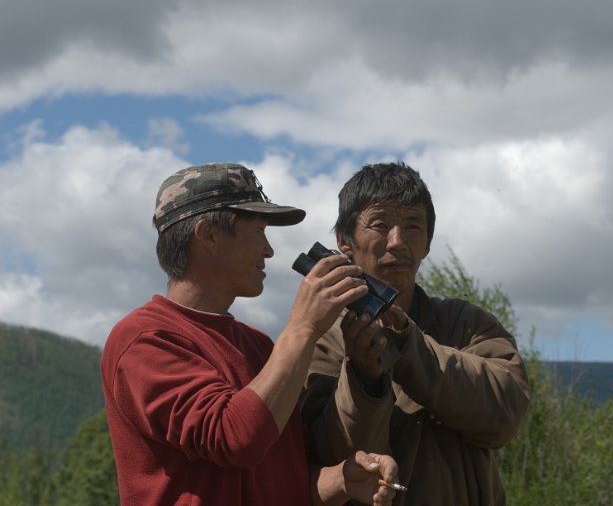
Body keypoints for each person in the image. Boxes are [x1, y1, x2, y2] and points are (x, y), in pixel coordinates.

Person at [101, 162, 400, 506]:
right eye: (258, 230)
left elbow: (281, 479)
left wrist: (342, 479)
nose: (269, 250)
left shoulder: (258, 346)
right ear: (208, 235)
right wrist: (303, 327)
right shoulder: (143, 339)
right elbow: (234, 439)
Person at [302, 162, 531, 505]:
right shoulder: (320, 340)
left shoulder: (465, 324)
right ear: (343, 242)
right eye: (379, 225)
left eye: (413, 226)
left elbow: (504, 414)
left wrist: (407, 345)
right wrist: (365, 379)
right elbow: (332, 458)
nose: (397, 242)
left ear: (426, 243)